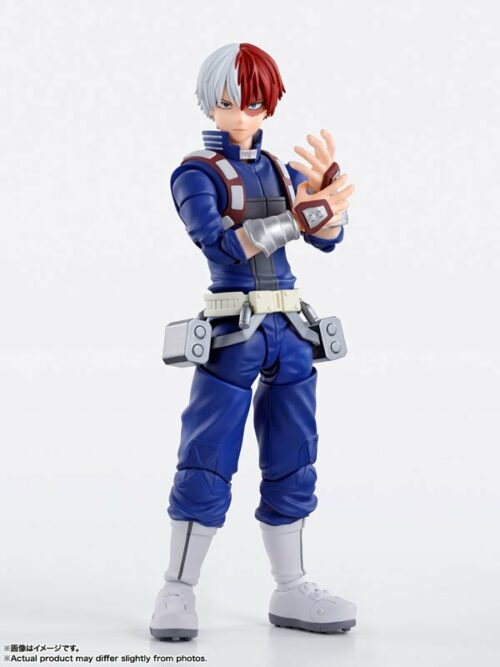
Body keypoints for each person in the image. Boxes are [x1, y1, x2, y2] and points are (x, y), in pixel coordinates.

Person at [150, 43, 356, 640]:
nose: (241, 114)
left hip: (290, 330)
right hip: (232, 331)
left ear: (270, 105)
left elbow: (328, 240)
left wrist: (327, 196)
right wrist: (302, 217)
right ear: (208, 102)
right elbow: (219, 244)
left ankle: (291, 586)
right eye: (227, 101)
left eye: (254, 103)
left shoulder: (281, 171)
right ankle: (178, 587)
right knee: (207, 457)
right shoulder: (195, 173)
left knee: (295, 457)